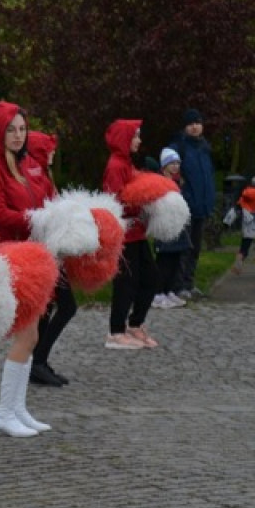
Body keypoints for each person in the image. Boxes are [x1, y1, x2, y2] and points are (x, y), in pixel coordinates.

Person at [0, 101, 52, 436]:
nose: (18, 135)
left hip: (33, 254)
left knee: (32, 333)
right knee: (25, 334)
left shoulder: (30, 164)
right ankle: (5, 413)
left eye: (22, 129)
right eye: (11, 129)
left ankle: (17, 408)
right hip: (9, 255)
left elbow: (46, 199)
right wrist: (36, 218)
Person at [25, 130, 78, 386]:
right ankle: (37, 361)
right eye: (49, 149)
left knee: (52, 308)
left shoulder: (43, 175)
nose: (53, 153)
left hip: (51, 251)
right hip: (46, 252)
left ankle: (38, 360)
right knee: (62, 306)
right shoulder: (36, 178)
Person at [102, 119, 160, 349]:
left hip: (137, 232)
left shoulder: (125, 163)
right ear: (124, 139)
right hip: (126, 234)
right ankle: (116, 331)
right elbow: (115, 199)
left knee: (151, 277)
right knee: (126, 282)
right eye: (135, 136)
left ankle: (135, 324)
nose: (139, 140)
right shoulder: (116, 166)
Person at [171, 108, 216, 298]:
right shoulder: (179, 148)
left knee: (196, 247)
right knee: (184, 248)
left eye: (198, 123)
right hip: (186, 206)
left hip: (201, 205)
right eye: (191, 124)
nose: (195, 127)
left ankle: (189, 283)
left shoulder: (205, 148)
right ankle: (179, 285)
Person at [152, 148, 190, 309]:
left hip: (177, 225)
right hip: (164, 226)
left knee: (175, 259)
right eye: (172, 163)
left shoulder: (177, 182)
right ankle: (158, 292)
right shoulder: (159, 182)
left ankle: (169, 290)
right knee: (164, 262)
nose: (175, 166)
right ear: (164, 165)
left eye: (177, 163)